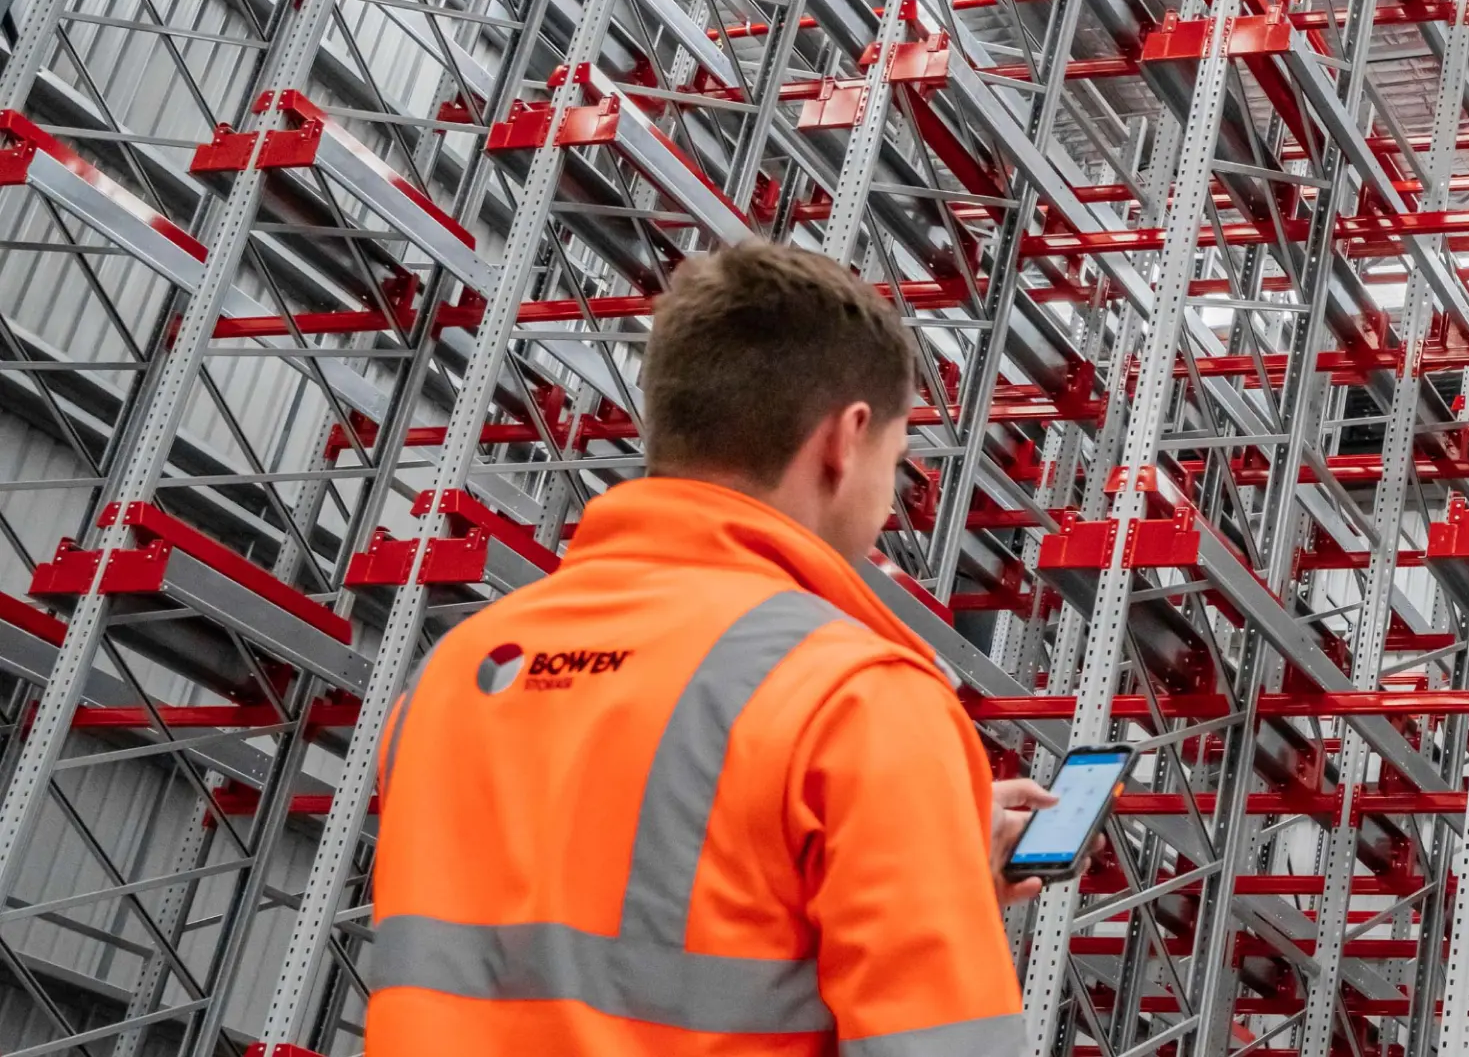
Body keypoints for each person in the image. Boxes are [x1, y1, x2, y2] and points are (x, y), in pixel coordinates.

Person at [365, 241, 1050, 1055]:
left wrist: (927, 863)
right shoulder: (856, 698)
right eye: (896, 465)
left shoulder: (456, 674)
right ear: (845, 439)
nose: (889, 501)